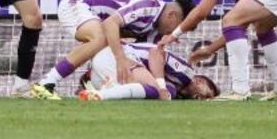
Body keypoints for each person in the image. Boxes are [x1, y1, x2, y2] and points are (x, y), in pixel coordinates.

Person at [34, 0, 193, 99]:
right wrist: (120, 58)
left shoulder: (154, 30)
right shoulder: (149, 4)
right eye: (179, 28)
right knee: (101, 39)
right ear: (172, 15)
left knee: (118, 51)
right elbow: (111, 23)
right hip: (77, 5)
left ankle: (92, 83)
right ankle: (47, 83)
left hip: (95, 18)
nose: (176, 33)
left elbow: (142, 58)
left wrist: (163, 87)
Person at [77, 41, 218, 102]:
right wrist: (161, 87)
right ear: (200, 80)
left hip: (103, 74)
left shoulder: (175, 90)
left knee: (151, 95)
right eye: (207, 94)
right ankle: (101, 94)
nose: (203, 98)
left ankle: (98, 91)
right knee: (157, 91)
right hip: (115, 57)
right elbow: (156, 52)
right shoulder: (187, 73)